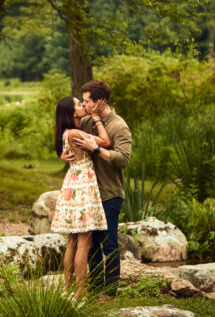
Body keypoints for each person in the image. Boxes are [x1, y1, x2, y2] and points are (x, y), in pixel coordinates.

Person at [65, 80, 132, 297]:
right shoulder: (85, 122)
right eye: (82, 102)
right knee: (91, 244)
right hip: (88, 196)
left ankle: (110, 292)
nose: (84, 105)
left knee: (109, 244)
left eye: (87, 102)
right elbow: (67, 136)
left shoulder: (118, 126)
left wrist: (96, 150)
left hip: (109, 193)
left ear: (100, 102)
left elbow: (123, 159)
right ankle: (94, 288)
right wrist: (64, 154)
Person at [51, 96, 111, 295]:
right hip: (83, 185)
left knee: (71, 241)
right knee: (84, 242)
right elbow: (105, 142)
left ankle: (68, 288)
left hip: (72, 183)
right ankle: (81, 291)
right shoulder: (76, 133)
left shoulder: (64, 133)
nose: (82, 106)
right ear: (71, 112)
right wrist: (96, 118)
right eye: (78, 104)